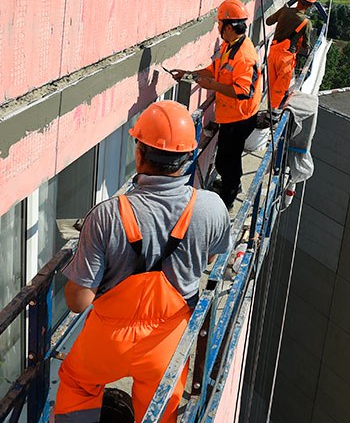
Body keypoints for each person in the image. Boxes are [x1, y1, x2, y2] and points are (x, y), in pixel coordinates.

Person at [53, 100, 232, 423]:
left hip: (106, 341)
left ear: (139, 153)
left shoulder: (107, 215)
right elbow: (213, 256)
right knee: (161, 408)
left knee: (78, 385)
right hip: (167, 340)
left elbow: (79, 302)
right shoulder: (211, 208)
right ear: (189, 156)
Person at [190, 0, 262, 207]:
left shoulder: (244, 56)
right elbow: (215, 69)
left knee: (225, 160)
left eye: (220, 23)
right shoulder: (229, 44)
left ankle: (227, 199)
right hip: (232, 115)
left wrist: (211, 86)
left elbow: (243, 92)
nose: (218, 27)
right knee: (230, 157)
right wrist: (191, 74)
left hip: (240, 117)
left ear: (228, 27)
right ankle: (233, 183)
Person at [265, 0, 318, 110]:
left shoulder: (284, 11)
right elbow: (306, 46)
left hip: (272, 54)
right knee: (279, 90)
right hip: (286, 59)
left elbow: (268, 21)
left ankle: (268, 110)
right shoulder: (306, 23)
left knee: (271, 85)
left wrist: (286, 8)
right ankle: (271, 116)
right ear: (310, 5)